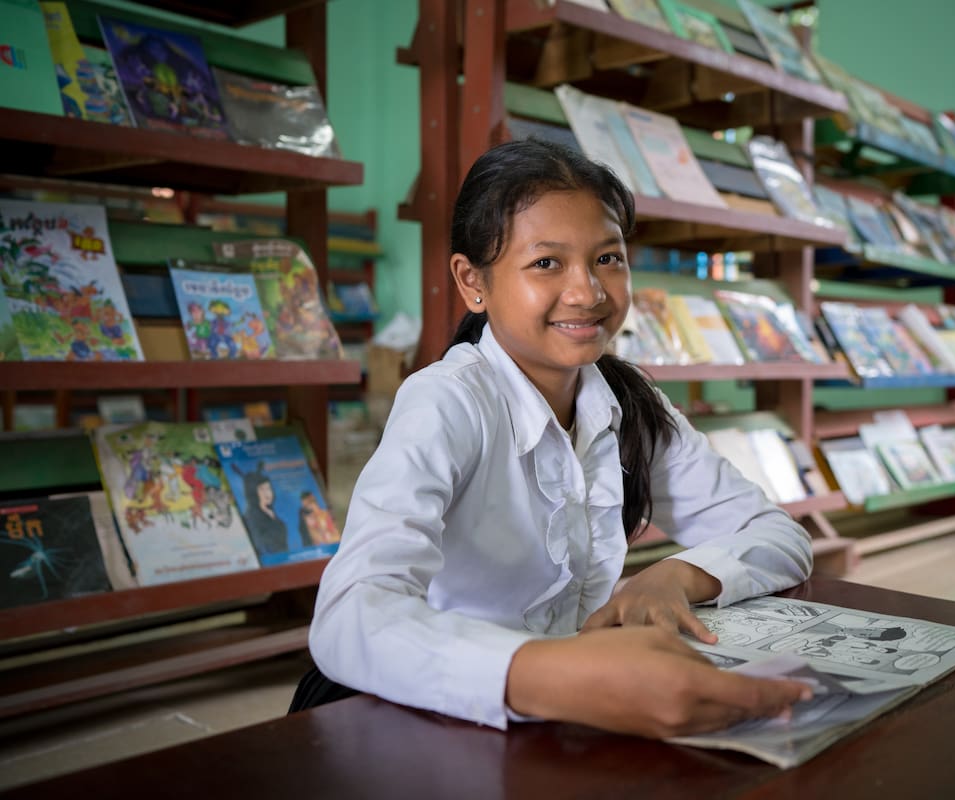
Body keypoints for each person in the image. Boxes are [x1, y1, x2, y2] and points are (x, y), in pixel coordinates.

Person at [303, 139, 815, 738]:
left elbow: (780, 536)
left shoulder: (628, 402)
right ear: (473, 283)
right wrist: (551, 672)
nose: (589, 292)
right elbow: (350, 615)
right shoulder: (447, 401)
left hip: (568, 715)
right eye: (547, 263)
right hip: (435, 709)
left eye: (608, 259)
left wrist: (676, 575)